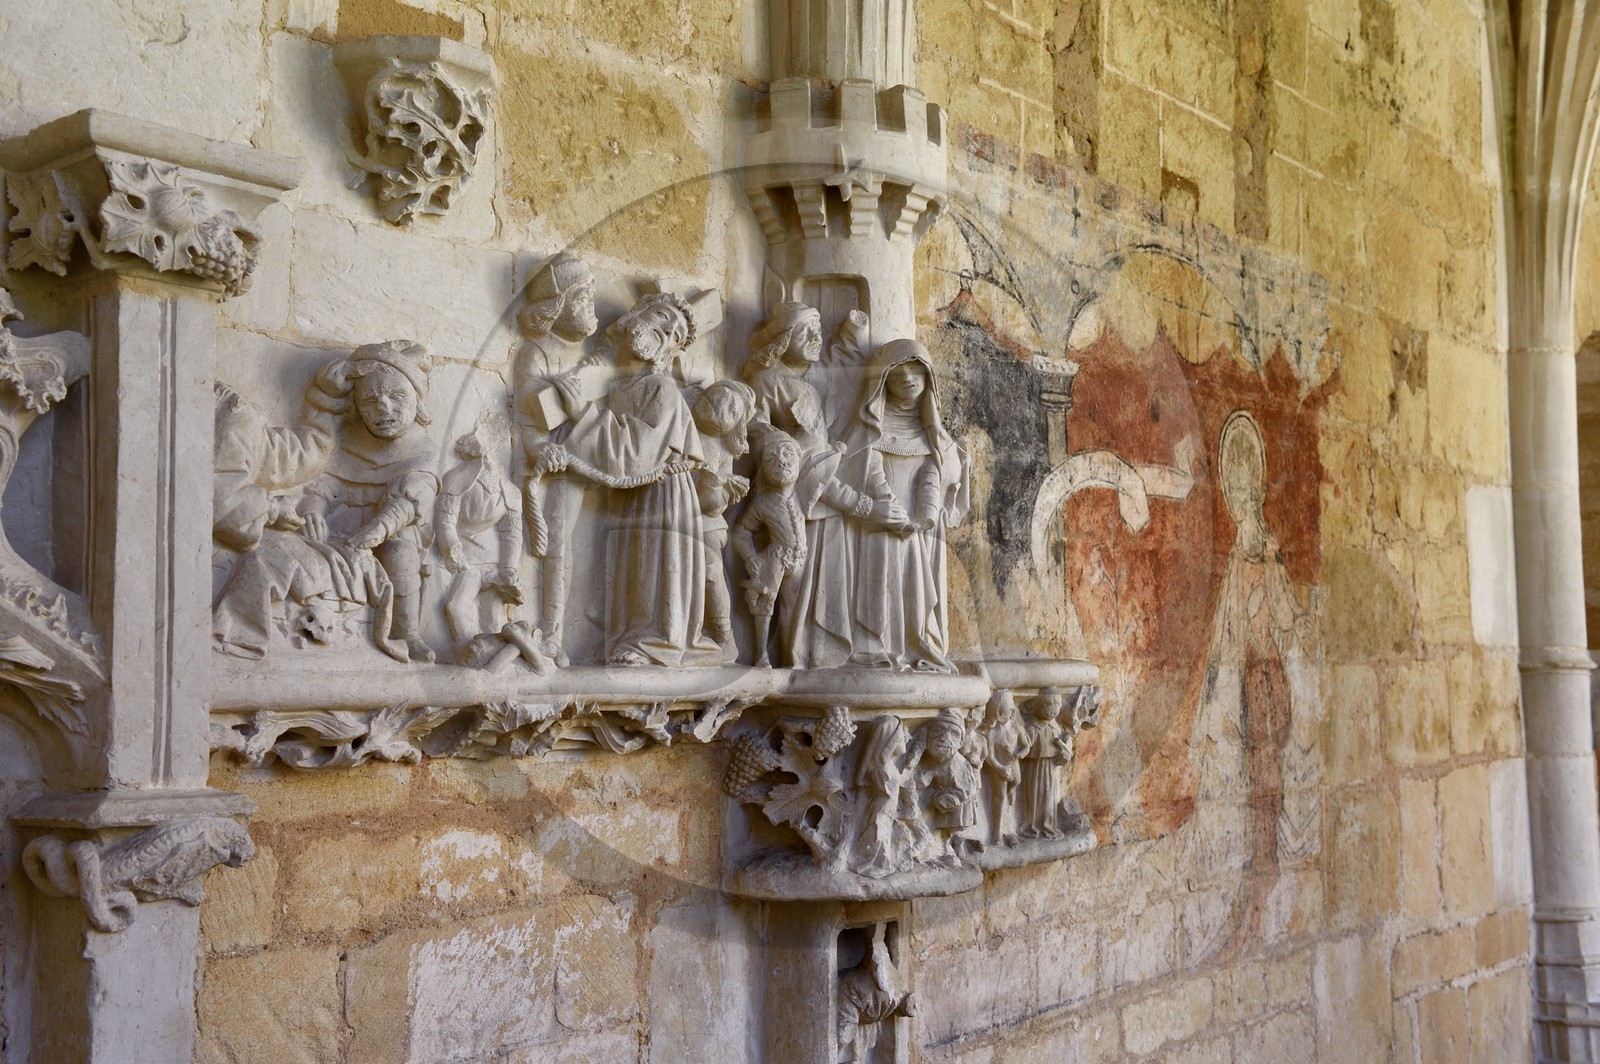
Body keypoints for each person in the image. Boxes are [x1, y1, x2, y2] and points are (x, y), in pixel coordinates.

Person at [213, 340, 439, 662]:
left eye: (397, 396)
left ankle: (407, 633)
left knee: (401, 554)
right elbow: (324, 483)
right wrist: (314, 511)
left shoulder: (421, 451)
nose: (384, 409)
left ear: (418, 401)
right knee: (283, 547)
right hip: (336, 527)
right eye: (370, 401)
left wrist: (377, 530)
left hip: (388, 529)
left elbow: (409, 500)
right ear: (357, 408)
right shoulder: (348, 443)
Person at [531, 292, 719, 666]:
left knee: (653, 567)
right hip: (634, 496)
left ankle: (656, 643)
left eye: (674, 335)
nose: (664, 332)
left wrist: (582, 414)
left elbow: (635, 454)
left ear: (669, 353)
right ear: (635, 315)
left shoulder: (662, 389)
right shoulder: (619, 386)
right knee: (635, 568)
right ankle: (632, 639)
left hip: (661, 496)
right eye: (662, 318)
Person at [835, 339, 969, 672]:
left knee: (915, 586)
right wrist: (887, 508)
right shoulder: (867, 432)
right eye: (897, 373)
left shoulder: (936, 439)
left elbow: (932, 477)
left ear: (928, 380)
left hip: (916, 532)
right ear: (883, 380)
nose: (907, 378)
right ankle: (872, 647)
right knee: (876, 584)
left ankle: (917, 643)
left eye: (915, 371)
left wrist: (924, 515)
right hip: (877, 526)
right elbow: (867, 471)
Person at [514, 252, 600, 662]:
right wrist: (540, 448)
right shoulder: (536, 353)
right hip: (561, 463)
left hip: (597, 457)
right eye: (581, 300)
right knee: (558, 544)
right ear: (556, 306)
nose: (590, 309)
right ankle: (552, 633)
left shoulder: (600, 357)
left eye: (590, 299)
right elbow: (531, 421)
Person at [435, 414, 523, 656]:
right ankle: (468, 652)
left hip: (494, 562)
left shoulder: (511, 491)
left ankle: (488, 658)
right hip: (467, 560)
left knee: (492, 618)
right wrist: (452, 548)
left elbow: (512, 533)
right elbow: (445, 521)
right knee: (456, 606)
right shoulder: (456, 479)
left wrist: (509, 570)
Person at [689, 379, 756, 662]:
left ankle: (724, 637)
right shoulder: (683, 427)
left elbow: (713, 508)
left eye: (732, 408)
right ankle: (684, 634)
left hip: (705, 525)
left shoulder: (723, 450)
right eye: (717, 397)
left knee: (711, 570)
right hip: (670, 518)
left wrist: (714, 486)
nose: (720, 407)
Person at [731, 427, 807, 667]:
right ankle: (761, 654)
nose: (781, 462)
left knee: (793, 610)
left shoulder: (803, 495)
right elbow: (741, 530)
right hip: (775, 558)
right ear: (763, 468)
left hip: (800, 560)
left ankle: (791, 655)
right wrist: (750, 556)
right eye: (771, 459)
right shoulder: (762, 501)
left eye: (787, 455)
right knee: (765, 603)